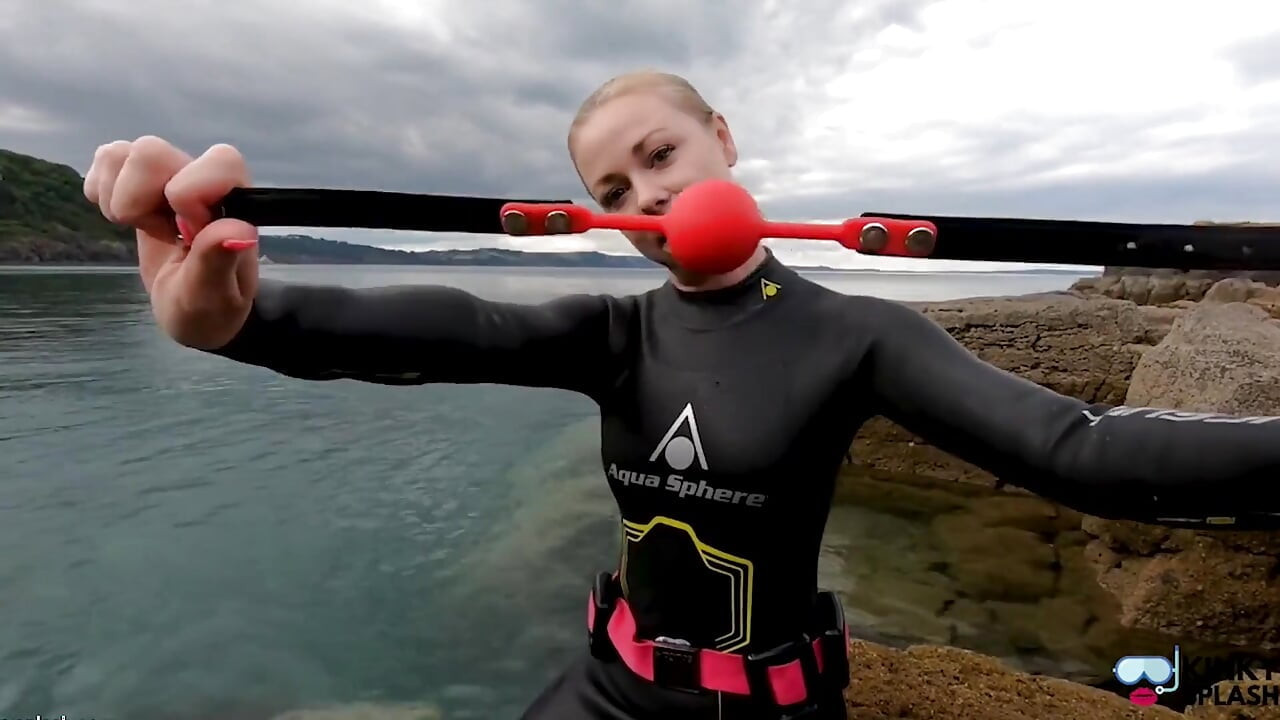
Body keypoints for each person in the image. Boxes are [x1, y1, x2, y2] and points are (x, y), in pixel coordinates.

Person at [85, 69, 1280, 720]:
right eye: (612, 188)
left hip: (776, 709)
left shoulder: (857, 337)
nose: (645, 196)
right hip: (609, 688)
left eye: (660, 156)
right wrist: (240, 320)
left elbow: (1077, 448)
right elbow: (456, 325)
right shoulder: (613, 335)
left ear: (721, 138)